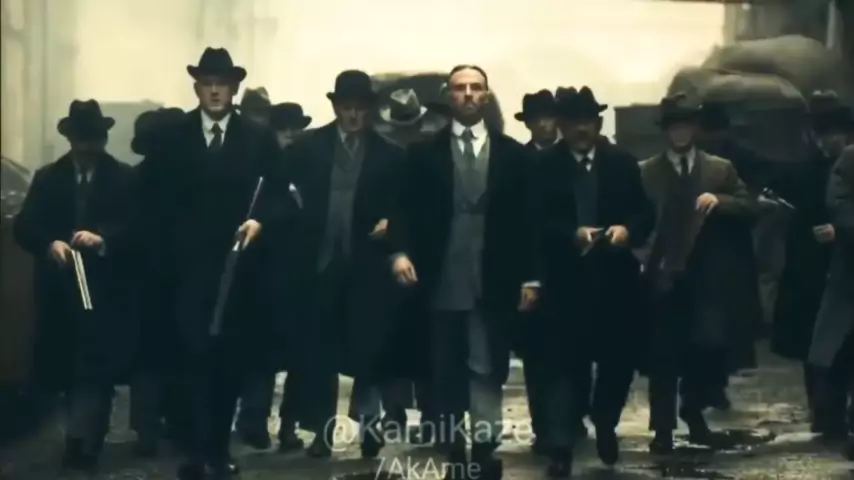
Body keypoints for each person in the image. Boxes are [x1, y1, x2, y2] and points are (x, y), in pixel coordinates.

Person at [136, 47, 292, 480]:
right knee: (188, 362)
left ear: (235, 88)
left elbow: (282, 197)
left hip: (240, 275)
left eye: (223, 83)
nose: (216, 91)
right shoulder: (173, 138)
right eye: (208, 83)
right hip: (184, 276)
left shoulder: (258, 139)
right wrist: (167, 252)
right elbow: (148, 204)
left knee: (229, 365)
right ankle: (193, 452)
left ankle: (219, 451)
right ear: (197, 88)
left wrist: (260, 221)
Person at [388, 65, 537, 480]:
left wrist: (531, 277)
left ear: (486, 95)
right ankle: (453, 446)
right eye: (460, 88)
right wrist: (399, 253)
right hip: (440, 272)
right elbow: (403, 210)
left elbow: (530, 222)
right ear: (448, 96)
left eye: (476, 88)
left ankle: (485, 447)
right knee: (445, 364)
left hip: (495, 273)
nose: (468, 94)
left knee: (487, 364)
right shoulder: (424, 154)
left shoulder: (513, 155)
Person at [282, 69, 405, 459]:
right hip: (318, 263)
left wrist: (393, 223)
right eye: (346, 107)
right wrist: (295, 214)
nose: (353, 115)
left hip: (367, 265)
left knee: (368, 347)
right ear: (335, 107)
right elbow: (278, 191)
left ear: (369, 110)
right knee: (319, 351)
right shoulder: (307, 148)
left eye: (360, 108)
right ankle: (322, 430)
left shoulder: (390, 154)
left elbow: (406, 204)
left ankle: (367, 422)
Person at [534, 86, 654, 477]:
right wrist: (571, 234)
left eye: (588, 121)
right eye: (573, 122)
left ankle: (605, 421)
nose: (581, 129)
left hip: (616, 284)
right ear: (561, 125)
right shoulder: (544, 165)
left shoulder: (622, 162)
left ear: (599, 124)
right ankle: (561, 448)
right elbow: (532, 219)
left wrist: (626, 230)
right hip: (564, 284)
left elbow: (644, 212)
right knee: (563, 367)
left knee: (618, 363)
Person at [13, 99, 136, 472]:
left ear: (103, 140)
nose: (86, 149)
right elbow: (25, 226)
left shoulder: (124, 178)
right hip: (60, 292)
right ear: (70, 140)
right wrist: (49, 244)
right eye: (81, 141)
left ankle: (88, 443)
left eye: (93, 141)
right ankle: (75, 438)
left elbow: (140, 228)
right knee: (66, 371)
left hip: (106, 292)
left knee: (96, 371)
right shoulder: (47, 178)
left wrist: (104, 240)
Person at [638, 93, 758, 454]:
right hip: (662, 275)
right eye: (674, 126)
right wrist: (642, 257)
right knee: (662, 355)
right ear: (665, 131)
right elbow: (634, 215)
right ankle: (662, 428)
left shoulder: (719, 169)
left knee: (705, 348)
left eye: (686, 125)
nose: (680, 132)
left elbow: (749, 205)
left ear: (695, 129)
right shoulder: (646, 172)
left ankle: (693, 410)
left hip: (706, 276)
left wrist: (720, 201)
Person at [770, 93, 847, 433]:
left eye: (837, 132)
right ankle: (824, 412)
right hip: (811, 271)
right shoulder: (803, 172)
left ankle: (836, 413)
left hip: (843, 268)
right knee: (814, 347)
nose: (831, 140)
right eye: (825, 133)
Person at [128, 107, 192, 457]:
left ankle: (147, 429)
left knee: (149, 359)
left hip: (146, 282)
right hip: (179, 281)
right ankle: (175, 426)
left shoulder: (134, 179)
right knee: (179, 356)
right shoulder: (191, 180)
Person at [695, 101, 764, 411]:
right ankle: (713, 386)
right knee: (720, 323)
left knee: (712, 323)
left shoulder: (710, 157)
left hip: (715, 248)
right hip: (726, 250)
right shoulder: (742, 155)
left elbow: (749, 204)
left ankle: (709, 386)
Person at [805, 111, 854, 449]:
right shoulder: (850, 159)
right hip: (849, 273)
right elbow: (838, 203)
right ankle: (835, 420)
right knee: (839, 350)